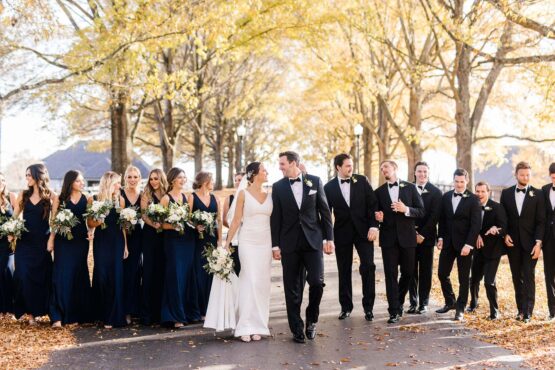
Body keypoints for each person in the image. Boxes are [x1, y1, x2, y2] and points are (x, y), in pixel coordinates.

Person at [270, 151, 334, 344]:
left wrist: (328, 239)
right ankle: (296, 327)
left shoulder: (314, 181)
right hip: (289, 243)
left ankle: (311, 319)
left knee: (316, 282)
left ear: (294, 163)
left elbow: (325, 212)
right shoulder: (278, 187)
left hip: (313, 242)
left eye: (282, 164)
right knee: (292, 288)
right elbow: (276, 218)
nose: (280, 167)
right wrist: (275, 245)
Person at [324, 153, 378, 321]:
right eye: (347, 165)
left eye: (351, 164)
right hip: (342, 233)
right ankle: (345, 307)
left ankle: (368, 308)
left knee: (368, 266)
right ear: (338, 167)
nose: (351, 168)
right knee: (344, 269)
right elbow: (326, 215)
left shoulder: (362, 180)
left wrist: (374, 226)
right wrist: (328, 238)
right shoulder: (329, 187)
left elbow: (373, 204)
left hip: (364, 232)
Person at [225, 162, 272, 342]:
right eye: (264, 170)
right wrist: (227, 243)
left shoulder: (270, 195)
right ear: (254, 174)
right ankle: (244, 324)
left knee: (261, 283)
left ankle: (259, 324)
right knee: (249, 280)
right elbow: (236, 221)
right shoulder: (243, 194)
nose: (267, 172)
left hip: (265, 243)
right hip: (248, 241)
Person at [374, 160, 425, 324]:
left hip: (408, 239)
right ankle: (393, 310)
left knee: (409, 272)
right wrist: (378, 219)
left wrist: (406, 210)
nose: (383, 170)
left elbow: (421, 211)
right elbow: (375, 215)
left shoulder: (410, 188)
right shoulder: (379, 192)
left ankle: (399, 301)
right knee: (390, 275)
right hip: (388, 240)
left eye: (386, 167)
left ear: (395, 168)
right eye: (381, 169)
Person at [500, 161, 545, 323]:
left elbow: (541, 221)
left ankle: (528, 312)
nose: (525, 177)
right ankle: (520, 310)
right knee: (516, 277)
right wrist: (504, 235)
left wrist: (538, 243)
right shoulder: (506, 194)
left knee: (528, 276)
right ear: (516, 175)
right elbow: (503, 218)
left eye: (527, 175)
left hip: (531, 244)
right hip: (512, 244)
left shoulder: (538, 194)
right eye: (522, 174)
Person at [436, 168, 481, 322]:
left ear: (466, 181)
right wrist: (440, 237)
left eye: (462, 182)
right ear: (453, 181)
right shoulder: (446, 197)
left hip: (465, 246)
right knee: (442, 273)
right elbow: (442, 219)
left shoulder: (474, 199)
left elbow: (476, 225)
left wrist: (469, 244)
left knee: (463, 279)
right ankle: (450, 302)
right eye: (457, 181)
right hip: (448, 243)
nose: (459, 184)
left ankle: (460, 308)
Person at [12, 164, 55, 325]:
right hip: (24, 242)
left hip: (42, 243)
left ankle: (37, 313)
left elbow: (55, 222)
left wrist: (51, 240)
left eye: (29, 175)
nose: (27, 178)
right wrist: (11, 232)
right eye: (26, 175)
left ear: (38, 176)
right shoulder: (23, 194)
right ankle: (29, 313)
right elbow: (15, 217)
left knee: (40, 277)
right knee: (23, 275)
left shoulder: (51, 196)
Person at [50, 170, 93, 327]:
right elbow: (54, 221)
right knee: (61, 276)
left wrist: (91, 232)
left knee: (78, 275)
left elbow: (89, 222)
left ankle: (77, 314)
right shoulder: (59, 199)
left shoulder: (87, 199)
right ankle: (57, 316)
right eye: (78, 181)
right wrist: (51, 240)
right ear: (70, 183)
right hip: (63, 243)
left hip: (80, 242)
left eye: (82, 180)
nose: (82, 183)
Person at [89, 171, 128, 329]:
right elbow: (90, 223)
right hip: (102, 242)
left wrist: (125, 245)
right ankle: (101, 315)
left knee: (116, 277)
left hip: (117, 242)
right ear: (108, 183)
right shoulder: (95, 199)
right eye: (117, 183)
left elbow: (122, 225)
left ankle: (114, 316)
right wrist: (100, 218)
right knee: (102, 276)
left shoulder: (120, 200)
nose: (120, 186)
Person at [160, 168, 198, 327]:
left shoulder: (187, 197)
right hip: (173, 241)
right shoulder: (165, 199)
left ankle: (187, 313)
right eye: (180, 177)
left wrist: (197, 225)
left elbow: (188, 219)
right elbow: (160, 224)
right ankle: (175, 316)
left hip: (187, 241)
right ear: (172, 180)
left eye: (184, 177)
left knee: (186, 276)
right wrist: (174, 225)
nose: (183, 180)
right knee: (176, 276)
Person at [468, 181, 507, 320]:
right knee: (473, 280)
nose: (479, 194)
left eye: (482, 191)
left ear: (488, 192)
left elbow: (504, 227)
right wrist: (476, 235)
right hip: (478, 250)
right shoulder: (472, 207)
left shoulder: (497, 207)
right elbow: (469, 225)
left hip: (493, 251)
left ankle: (494, 311)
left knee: (489, 281)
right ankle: (473, 303)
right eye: (477, 191)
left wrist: (496, 229)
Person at [408, 161, 442, 314]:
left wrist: (422, 234)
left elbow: (435, 216)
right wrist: (413, 233)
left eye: (425, 172)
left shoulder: (436, 192)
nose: (422, 174)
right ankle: (413, 302)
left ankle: (424, 303)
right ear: (414, 173)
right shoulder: (407, 189)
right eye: (419, 171)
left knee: (426, 271)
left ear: (428, 173)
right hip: (408, 236)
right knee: (410, 270)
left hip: (427, 238)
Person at [189, 171, 222, 319]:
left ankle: (211, 308)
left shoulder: (216, 198)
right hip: (197, 240)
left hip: (212, 239)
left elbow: (219, 221)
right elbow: (187, 218)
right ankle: (199, 310)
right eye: (211, 180)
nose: (213, 182)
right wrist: (196, 226)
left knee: (212, 273)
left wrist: (220, 240)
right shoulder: (192, 197)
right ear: (204, 182)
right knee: (199, 274)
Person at [140, 169, 168, 325]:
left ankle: (161, 312)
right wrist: (153, 223)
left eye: (156, 178)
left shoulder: (167, 194)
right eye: (151, 179)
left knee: (162, 271)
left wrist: (163, 224)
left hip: (164, 236)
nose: (153, 182)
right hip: (150, 236)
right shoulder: (146, 195)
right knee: (149, 271)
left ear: (161, 179)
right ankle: (147, 314)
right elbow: (144, 215)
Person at [121, 165, 143, 324]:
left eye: (135, 177)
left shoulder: (143, 195)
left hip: (138, 237)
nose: (132, 179)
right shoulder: (120, 194)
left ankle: (135, 309)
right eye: (129, 176)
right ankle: (125, 311)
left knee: (136, 273)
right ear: (125, 178)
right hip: (122, 236)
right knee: (124, 273)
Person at [0, 172, 16, 316]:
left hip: (8, 243)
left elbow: (18, 218)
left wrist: (14, 232)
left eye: (3, 180)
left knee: (7, 271)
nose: (1, 183)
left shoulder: (11, 197)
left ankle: (10, 307)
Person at [223, 172, 245, 276]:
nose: (237, 182)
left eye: (239, 180)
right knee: (234, 265)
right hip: (233, 236)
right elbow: (224, 219)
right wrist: (234, 228)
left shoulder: (249, 197)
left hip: (246, 237)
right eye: (235, 180)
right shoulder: (229, 199)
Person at [542, 162, 555, 321]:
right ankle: (552, 311)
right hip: (547, 239)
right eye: (553, 178)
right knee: (548, 274)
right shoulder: (544, 190)